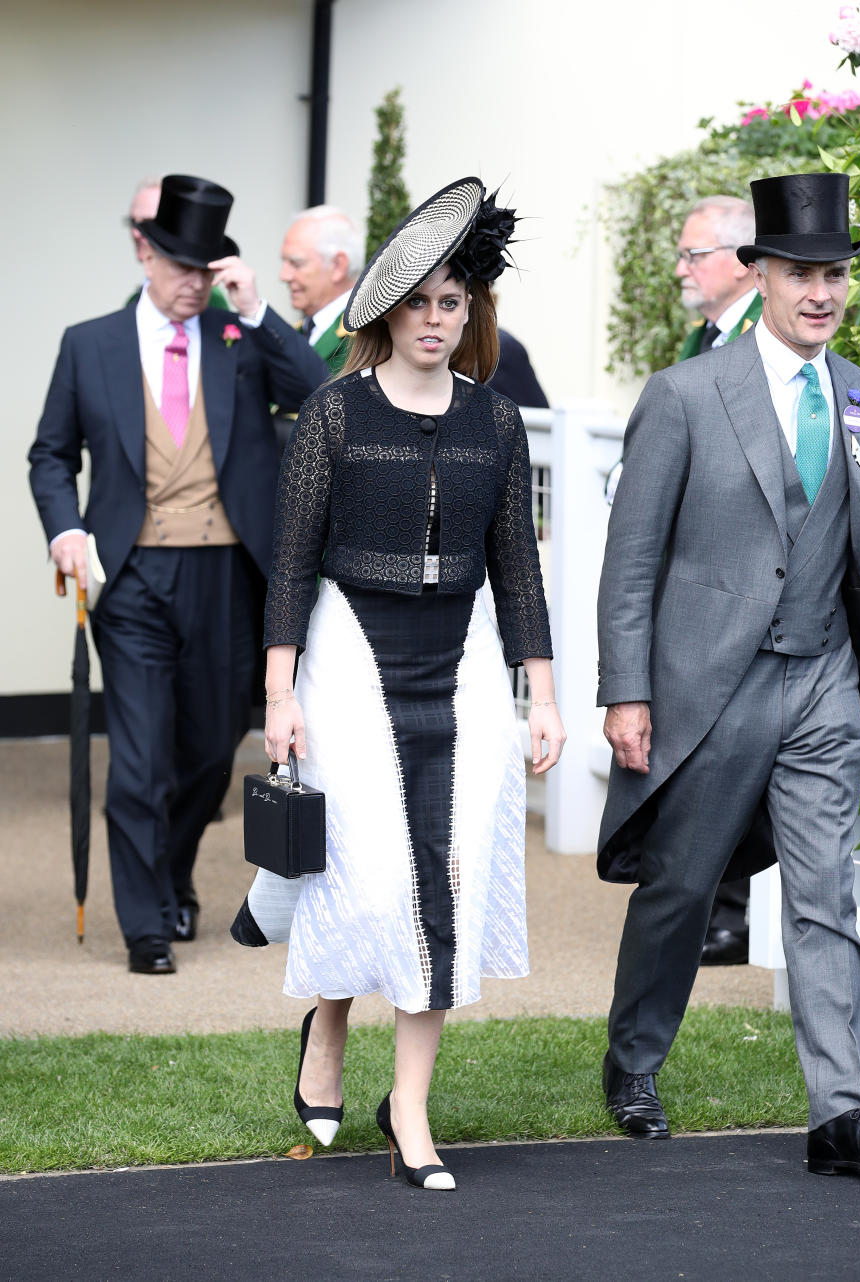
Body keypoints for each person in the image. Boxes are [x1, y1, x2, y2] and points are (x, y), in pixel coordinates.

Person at [596, 172, 860, 1176]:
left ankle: (843, 1114)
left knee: (827, 896)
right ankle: (633, 1062)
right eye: (800, 273)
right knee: (683, 886)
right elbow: (633, 556)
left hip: (824, 679)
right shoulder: (687, 395)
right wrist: (627, 690)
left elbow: (850, 539)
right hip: (712, 687)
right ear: (763, 277)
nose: (820, 292)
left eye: (833, 275)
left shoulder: (859, 393)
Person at [235, 177, 564, 1191]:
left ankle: (410, 1108)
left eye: (452, 302)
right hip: (348, 652)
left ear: (472, 313)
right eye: (418, 300)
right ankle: (327, 1022)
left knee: (450, 873)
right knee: (370, 875)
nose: (435, 318)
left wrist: (541, 694)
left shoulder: (497, 423)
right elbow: (290, 561)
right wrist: (279, 696)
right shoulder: (334, 415)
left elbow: (520, 568)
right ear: (386, 309)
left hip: (459, 658)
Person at [29, 174, 327, 974]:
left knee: (206, 753)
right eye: (181, 267)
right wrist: (64, 526)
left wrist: (260, 313)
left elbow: (324, 394)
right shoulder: (87, 344)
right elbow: (51, 454)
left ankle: (174, 868)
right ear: (146, 255)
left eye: (209, 269)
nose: (195, 283)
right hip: (130, 580)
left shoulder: (240, 342)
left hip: (228, 574)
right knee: (139, 759)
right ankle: (146, 926)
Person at [675, 195, 762, 966]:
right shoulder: (706, 335)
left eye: (693, 255)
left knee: (738, 750)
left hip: (752, 579)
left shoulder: (762, 339)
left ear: (740, 261)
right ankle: (707, 902)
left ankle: (731, 912)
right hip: (701, 577)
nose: (682, 268)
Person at [675, 195, 762, 360]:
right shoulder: (701, 334)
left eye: (694, 254)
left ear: (740, 262)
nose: (680, 271)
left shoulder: (771, 333)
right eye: (681, 255)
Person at [279, 204, 362, 375]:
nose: (284, 276)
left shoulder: (365, 338)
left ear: (338, 266)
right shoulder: (300, 331)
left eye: (296, 263)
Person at [125, 177, 229, 310]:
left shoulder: (202, 297)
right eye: (134, 222)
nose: (136, 233)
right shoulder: (136, 298)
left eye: (148, 224)